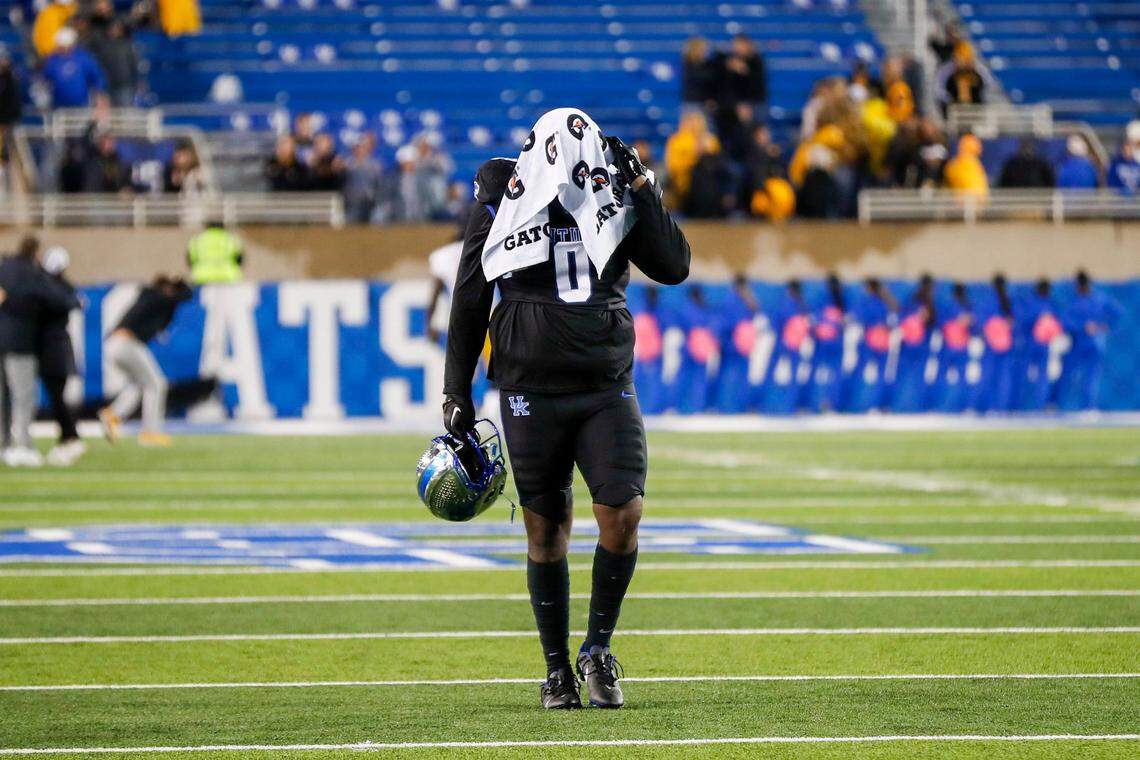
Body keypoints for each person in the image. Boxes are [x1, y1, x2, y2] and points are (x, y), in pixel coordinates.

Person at [442, 127, 690, 710]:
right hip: (529, 385)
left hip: (604, 383)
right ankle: (557, 669)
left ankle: (597, 650)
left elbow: (674, 265)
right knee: (546, 531)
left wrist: (642, 187)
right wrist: (457, 389)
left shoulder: (611, 184)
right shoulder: (503, 192)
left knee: (623, 511)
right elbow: (471, 295)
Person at [0, 236, 79, 467]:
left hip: (2, 339)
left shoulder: (4, 268)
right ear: (36, 252)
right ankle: (22, 446)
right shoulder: (31, 274)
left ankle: (4, 445)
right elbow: (56, 299)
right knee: (23, 397)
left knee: (3, 397)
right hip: (21, 342)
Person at [98, 275, 193, 447]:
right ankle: (151, 432)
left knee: (140, 383)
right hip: (126, 343)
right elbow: (184, 295)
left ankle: (112, 415)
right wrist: (180, 285)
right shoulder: (158, 296)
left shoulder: (150, 297)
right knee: (157, 384)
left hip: (115, 344)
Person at [37, 246, 85, 466]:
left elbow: (69, 302)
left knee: (58, 395)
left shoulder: (55, 289)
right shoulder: (59, 287)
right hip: (52, 346)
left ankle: (70, 436)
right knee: (57, 395)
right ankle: (68, 436)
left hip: (53, 347)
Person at [1059, 270, 1122, 411]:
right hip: (1088, 343)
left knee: (1082, 377)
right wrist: (1103, 325)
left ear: (1078, 285)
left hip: (1082, 344)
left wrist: (1088, 326)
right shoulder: (1098, 298)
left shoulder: (1079, 301)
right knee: (1088, 377)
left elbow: (1065, 322)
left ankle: (1079, 407)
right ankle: (1083, 408)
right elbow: (1117, 312)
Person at [844, 278, 895, 412]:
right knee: (881, 375)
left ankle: (852, 404)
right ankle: (880, 405)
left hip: (869, 341)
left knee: (858, 373)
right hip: (883, 342)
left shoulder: (867, 302)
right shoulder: (887, 303)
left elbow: (857, 318)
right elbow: (892, 323)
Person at [760, 280, 810, 414]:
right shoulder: (802, 305)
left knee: (771, 373)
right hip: (796, 345)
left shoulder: (783, 304)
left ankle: (766, 406)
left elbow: (775, 323)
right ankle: (790, 407)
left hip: (781, 342)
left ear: (789, 290)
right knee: (793, 376)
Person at [711, 274, 758, 413]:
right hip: (731, 344)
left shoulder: (744, 300)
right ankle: (726, 406)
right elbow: (727, 324)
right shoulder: (731, 301)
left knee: (737, 376)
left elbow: (755, 312)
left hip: (738, 345)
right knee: (729, 376)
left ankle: (735, 406)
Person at [890, 274, 936, 412]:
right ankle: (906, 405)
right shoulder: (921, 302)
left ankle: (906, 405)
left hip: (913, 344)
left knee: (908, 375)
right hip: (915, 344)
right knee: (911, 376)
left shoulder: (914, 300)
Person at [1014, 279, 1061, 411]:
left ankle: (1024, 407)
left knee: (1031, 376)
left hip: (1034, 344)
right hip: (1037, 344)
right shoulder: (1049, 304)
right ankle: (1033, 407)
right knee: (1037, 377)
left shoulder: (1034, 303)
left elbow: (1022, 322)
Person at [929, 282, 975, 412]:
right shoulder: (968, 307)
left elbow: (938, 325)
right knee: (961, 378)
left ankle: (936, 405)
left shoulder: (947, 307)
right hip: (961, 346)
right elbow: (976, 328)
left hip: (948, 346)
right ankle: (961, 406)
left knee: (941, 378)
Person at [974, 274, 1016, 413]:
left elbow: (979, 323)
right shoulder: (1009, 300)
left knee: (987, 375)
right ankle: (1001, 407)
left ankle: (983, 407)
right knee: (1004, 377)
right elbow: (1016, 322)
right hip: (1006, 345)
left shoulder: (986, 301)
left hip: (991, 345)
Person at [805, 273, 847, 412]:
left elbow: (812, 321)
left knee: (816, 373)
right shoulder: (842, 299)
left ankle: (814, 404)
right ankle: (833, 404)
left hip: (822, 342)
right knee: (835, 375)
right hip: (836, 342)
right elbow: (846, 322)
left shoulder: (820, 298)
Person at [41, 27, 108, 109]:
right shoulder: (53, 60)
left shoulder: (84, 58)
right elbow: (45, 80)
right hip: (59, 106)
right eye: (61, 46)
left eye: (67, 46)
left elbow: (97, 77)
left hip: (82, 104)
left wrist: (99, 95)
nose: (64, 49)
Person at [86, 17, 140, 108]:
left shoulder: (127, 45)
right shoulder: (100, 45)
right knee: (107, 116)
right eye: (111, 28)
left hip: (124, 84)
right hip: (106, 84)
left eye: (116, 28)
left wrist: (136, 81)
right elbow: (94, 64)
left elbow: (133, 64)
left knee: (124, 113)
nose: (114, 31)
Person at [344, 132, 383, 224]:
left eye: (362, 147)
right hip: (352, 203)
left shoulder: (375, 165)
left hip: (370, 202)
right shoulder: (347, 164)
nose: (360, 150)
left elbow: (379, 185)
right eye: (357, 147)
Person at [1106, 121, 1140, 195]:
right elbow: (1110, 183)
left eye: (1129, 149)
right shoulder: (1115, 164)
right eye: (1125, 149)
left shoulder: (1137, 165)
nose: (1127, 152)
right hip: (1119, 201)